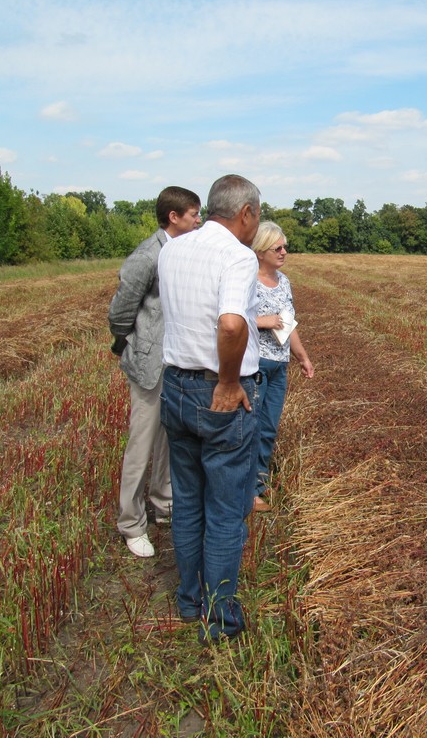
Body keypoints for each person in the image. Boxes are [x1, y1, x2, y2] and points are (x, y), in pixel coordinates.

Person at [158, 173, 263, 643]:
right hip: (215, 393)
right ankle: (219, 620)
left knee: (188, 501)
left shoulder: (172, 249)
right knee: (224, 510)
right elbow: (231, 325)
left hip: (174, 387)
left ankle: (188, 599)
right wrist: (226, 382)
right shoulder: (237, 256)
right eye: (256, 217)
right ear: (246, 213)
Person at [108, 186, 201, 558]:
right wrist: (133, 343)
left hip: (175, 361)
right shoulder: (148, 255)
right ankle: (131, 523)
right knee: (142, 442)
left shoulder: (182, 251)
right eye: (194, 214)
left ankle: (163, 503)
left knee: (168, 437)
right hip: (150, 365)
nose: (199, 220)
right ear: (173, 217)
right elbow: (120, 311)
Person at [251, 221, 314, 512]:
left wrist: (302, 357)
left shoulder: (284, 281)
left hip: (279, 365)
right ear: (261, 250)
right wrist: (262, 321)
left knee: (268, 428)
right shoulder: (246, 279)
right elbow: (226, 319)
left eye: (285, 247)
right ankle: (248, 491)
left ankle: (258, 485)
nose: (284, 252)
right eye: (278, 247)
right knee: (250, 428)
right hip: (256, 364)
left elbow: (288, 324)